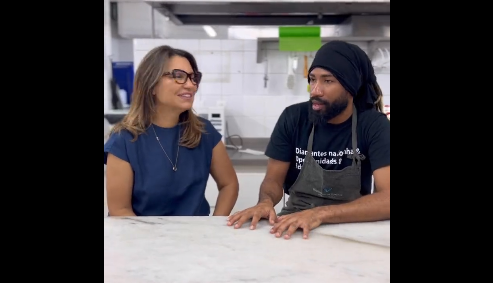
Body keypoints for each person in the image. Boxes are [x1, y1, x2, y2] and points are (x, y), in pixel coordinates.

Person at [227, 40, 390, 239]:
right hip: (293, 223)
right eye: (312, 79)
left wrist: (319, 214)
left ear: (350, 87)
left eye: (327, 81)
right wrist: (265, 202)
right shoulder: (293, 118)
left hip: (352, 225)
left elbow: (387, 198)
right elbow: (273, 179)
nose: (315, 90)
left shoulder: (373, 125)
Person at [104, 45, 239, 217]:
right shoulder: (124, 140)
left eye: (193, 77)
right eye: (179, 76)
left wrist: (213, 227)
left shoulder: (204, 132)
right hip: (143, 239)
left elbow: (229, 184)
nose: (191, 85)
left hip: (197, 238)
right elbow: (120, 210)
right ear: (151, 85)